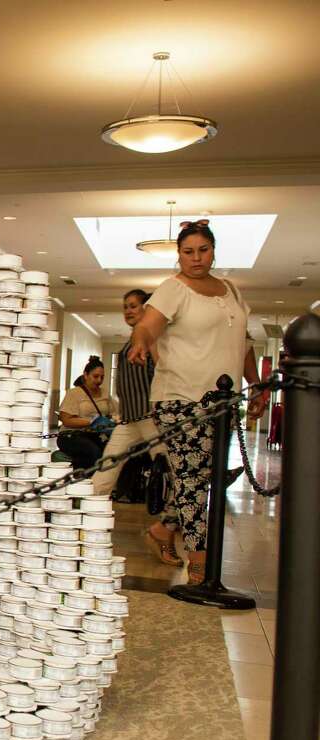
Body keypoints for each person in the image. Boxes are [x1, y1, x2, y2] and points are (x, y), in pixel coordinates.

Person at [128, 220, 268, 585]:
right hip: (179, 399)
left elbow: (244, 344)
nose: (195, 258)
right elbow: (147, 325)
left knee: (203, 479)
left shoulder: (232, 290)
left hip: (221, 403)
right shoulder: (173, 289)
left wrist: (255, 384)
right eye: (188, 251)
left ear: (213, 251)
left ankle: (163, 530)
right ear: (179, 254)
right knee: (192, 482)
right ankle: (201, 568)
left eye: (202, 250)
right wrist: (141, 342)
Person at [90, 290, 176, 563]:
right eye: (125, 306)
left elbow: (164, 370)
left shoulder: (154, 336)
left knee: (171, 476)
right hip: (129, 421)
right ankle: (85, 526)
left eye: (134, 306)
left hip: (152, 420)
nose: (128, 311)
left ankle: (164, 533)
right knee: (105, 471)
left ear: (148, 308)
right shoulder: (130, 340)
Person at [56, 356, 119, 470]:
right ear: (85, 375)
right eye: (95, 376)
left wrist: (112, 420)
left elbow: (114, 412)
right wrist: (91, 422)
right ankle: (84, 480)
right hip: (71, 435)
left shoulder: (105, 393)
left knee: (111, 451)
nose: (99, 380)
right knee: (93, 452)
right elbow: (66, 420)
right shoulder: (74, 393)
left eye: (102, 377)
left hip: (94, 435)